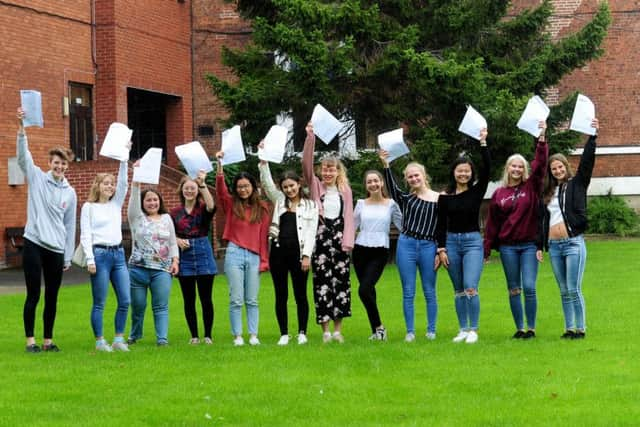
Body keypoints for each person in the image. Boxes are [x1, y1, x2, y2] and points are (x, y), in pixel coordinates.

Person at [16, 108, 77, 353]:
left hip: (56, 250)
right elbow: (23, 158)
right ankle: (31, 341)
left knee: (52, 296)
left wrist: (68, 255)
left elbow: (70, 224)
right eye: (55, 162)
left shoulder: (70, 193)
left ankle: (48, 341)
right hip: (33, 244)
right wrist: (21, 128)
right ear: (49, 163)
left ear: (67, 166)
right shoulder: (38, 178)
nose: (59, 166)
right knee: (33, 294)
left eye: (63, 163)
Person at [484, 121, 548, 339]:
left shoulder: (532, 187)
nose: (517, 169)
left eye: (521, 166)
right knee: (514, 288)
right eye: (513, 166)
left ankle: (531, 328)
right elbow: (492, 224)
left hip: (529, 245)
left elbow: (540, 165)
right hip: (508, 248)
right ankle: (519, 328)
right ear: (507, 168)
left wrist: (541, 139)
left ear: (524, 170)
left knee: (529, 287)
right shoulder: (499, 194)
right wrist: (486, 250)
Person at [540, 119, 599, 339]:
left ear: (566, 167)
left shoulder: (577, 184)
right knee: (563, 290)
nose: (557, 170)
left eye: (560, 167)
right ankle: (568, 328)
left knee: (574, 288)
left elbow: (587, 163)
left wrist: (592, 137)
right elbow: (542, 220)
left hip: (573, 243)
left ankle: (580, 328)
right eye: (553, 168)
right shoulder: (547, 191)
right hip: (554, 246)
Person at [436, 128, 490, 344]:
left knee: (470, 286)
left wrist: (483, 144)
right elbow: (439, 226)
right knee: (458, 290)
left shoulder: (477, 191)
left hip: (472, 243)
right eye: (460, 171)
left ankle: (474, 330)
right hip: (450, 244)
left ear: (471, 173)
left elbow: (487, 169)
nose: (463, 174)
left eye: (467, 171)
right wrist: (441, 249)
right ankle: (463, 329)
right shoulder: (444, 197)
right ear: (453, 173)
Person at [302, 122, 355, 343]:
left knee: (341, 283)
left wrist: (348, 242)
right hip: (321, 239)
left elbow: (350, 218)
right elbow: (306, 163)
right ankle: (324, 331)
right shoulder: (315, 186)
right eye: (324, 169)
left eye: (332, 169)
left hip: (340, 239)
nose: (328, 173)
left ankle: (337, 330)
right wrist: (310, 138)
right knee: (321, 283)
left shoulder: (345, 191)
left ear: (338, 172)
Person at [380, 152, 440, 342]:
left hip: (429, 246)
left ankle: (431, 330)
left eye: (417, 175)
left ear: (424, 176)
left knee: (429, 290)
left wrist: (440, 249)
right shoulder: (406, 198)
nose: (414, 179)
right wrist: (386, 165)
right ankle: (410, 331)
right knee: (408, 291)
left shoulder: (439, 199)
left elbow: (441, 228)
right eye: (410, 176)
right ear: (407, 179)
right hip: (406, 244)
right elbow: (391, 187)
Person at [259, 158, 318, 345]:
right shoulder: (279, 202)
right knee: (281, 294)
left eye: (292, 186)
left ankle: (302, 332)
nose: (289, 190)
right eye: (285, 187)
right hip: (278, 254)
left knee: (300, 294)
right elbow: (268, 186)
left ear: (299, 184)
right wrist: (263, 163)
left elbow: (311, 233)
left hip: (299, 254)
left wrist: (307, 255)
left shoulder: (311, 206)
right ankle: (284, 333)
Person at [215, 152, 270, 346]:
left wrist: (264, 260)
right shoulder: (231, 204)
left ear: (253, 187)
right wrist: (220, 165)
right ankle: (238, 335)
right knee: (236, 298)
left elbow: (263, 237)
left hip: (255, 255)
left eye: (246, 186)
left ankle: (253, 335)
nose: (243, 189)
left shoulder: (262, 208)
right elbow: (221, 191)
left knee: (252, 299)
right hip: (234, 253)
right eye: (239, 187)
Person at [80, 156, 131, 352]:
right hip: (99, 255)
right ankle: (100, 341)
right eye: (106, 184)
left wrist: (124, 160)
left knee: (125, 299)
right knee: (100, 301)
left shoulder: (116, 204)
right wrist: (90, 259)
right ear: (98, 186)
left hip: (118, 255)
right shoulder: (89, 207)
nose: (110, 187)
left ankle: (119, 339)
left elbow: (124, 184)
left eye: (112, 184)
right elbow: (85, 234)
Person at [127, 171, 179, 346]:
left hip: (162, 270)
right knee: (138, 306)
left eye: (155, 199)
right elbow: (133, 200)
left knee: (160, 306)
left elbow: (172, 242)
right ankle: (135, 335)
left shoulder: (167, 218)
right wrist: (136, 181)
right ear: (143, 203)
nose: (152, 202)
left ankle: (162, 339)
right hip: (137, 269)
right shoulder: (136, 218)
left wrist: (175, 261)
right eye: (148, 200)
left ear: (160, 202)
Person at [353, 170, 402, 341]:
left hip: (380, 250)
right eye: (369, 182)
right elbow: (352, 227)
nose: (373, 184)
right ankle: (376, 331)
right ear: (366, 186)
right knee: (369, 292)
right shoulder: (360, 204)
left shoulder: (391, 204)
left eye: (376, 181)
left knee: (364, 289)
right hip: (360, 250)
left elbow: (402, 225)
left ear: (382, 183)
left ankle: (379, 328)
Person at [170, 171, 217, 345]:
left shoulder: (203, 209)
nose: (189, 191)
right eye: (186, 188)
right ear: (181, 190)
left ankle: (208, 335)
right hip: (184, 256)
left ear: (197, 191)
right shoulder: (174, 213)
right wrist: (176, 239)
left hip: (203, 253)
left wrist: (203, 184)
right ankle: (194, 336)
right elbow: (167, 233)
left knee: (206, 298)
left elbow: (212, 205)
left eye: (193, 188)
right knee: (189, 299)